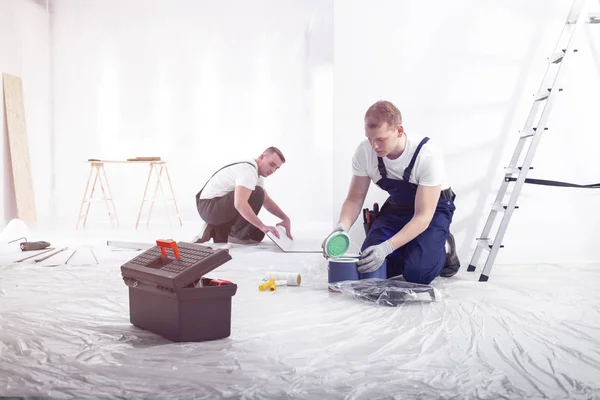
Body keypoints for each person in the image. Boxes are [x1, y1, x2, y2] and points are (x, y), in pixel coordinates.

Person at [322, 101, 460, 284]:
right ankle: (414, 246)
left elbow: (422, 216)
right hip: (398, 208)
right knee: (368, 267)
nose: (374, 146)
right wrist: (341, 228)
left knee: (417, 274)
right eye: (370, 138)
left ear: (399, 131)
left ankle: (443, 249)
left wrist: (387, 247)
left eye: (381, 139)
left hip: (432, 211)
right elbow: (354, 199)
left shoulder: (427, 155)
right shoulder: (365, 151)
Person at [195, 147, 292, 244]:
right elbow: (240, 204)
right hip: (209, 207)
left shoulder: (257, 174)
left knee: (257, 235)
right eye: (271, 164)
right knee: (257, 193)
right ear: (262, 157)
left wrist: (285, 218)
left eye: (276, 168)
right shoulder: (248, 171)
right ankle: (235, 234)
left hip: (215, 206)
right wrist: (262, 226)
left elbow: (266, 201)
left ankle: (215, 228)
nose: (272, 170)